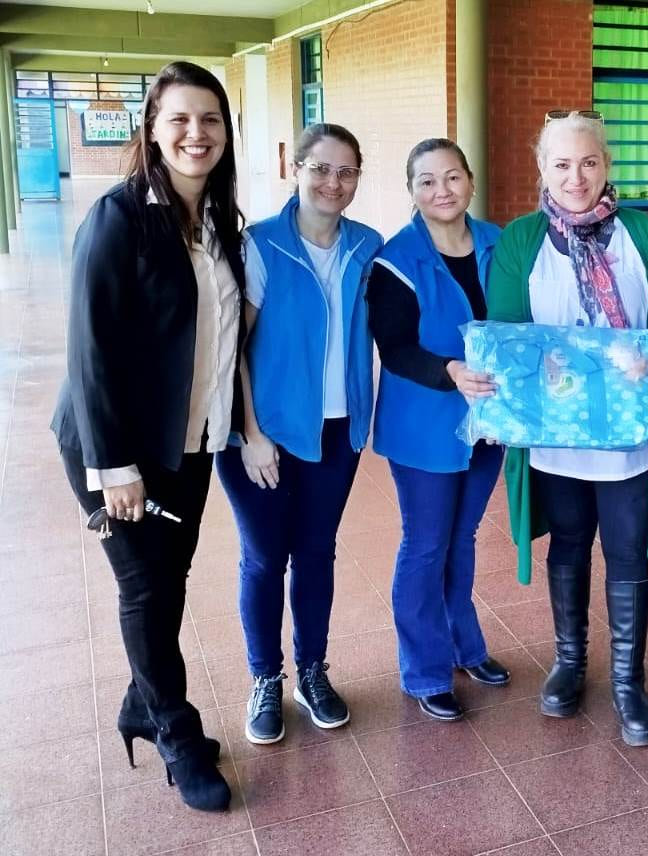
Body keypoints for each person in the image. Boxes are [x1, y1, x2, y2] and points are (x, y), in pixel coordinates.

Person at [51, 61, 243, 811]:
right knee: (143, 588)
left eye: (211, 119)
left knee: (170, 582)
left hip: (189, 441)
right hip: (119, 448)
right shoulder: (119, 216)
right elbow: (89, 350)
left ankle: (141, 704)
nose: (197, 133)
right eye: (180, 119)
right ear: (153, 130)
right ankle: (177, 731)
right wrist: (113, 466)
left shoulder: (218, 220)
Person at [488, 111, 648, 747]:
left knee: (629, 551)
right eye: (562, 164)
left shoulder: (643, 235)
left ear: (606, 165)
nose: (576, 177)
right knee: (569, 543)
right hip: (557, 437)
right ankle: (570, 663)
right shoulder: (521, 241)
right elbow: (509, 333)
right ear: (542, 168)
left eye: (589, 162)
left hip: (628, 436)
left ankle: (628, 679)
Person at [215, 124, 382, 744]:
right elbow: (232, 346)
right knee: (264, 557)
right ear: (296, 169)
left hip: (336, 432)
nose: (333, 182)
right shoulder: (261, 244)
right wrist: (251, 432)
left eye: (346, 171)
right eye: (321, 168)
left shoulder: (367, 246)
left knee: (316, 552)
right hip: (264, 435)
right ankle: (265, 678)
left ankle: (312, 671)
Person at [365, 138, 511, 723]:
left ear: (470, 181)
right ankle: (425, 670)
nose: (442, 190)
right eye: (426, 181)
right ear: (412, 191)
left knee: (462, 538)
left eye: (452, 177)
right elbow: (396, 347)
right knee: (426, 544)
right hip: (424, 425)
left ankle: (464, 647)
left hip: (489, 423)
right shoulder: (397, 259)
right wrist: (450, 371)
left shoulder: (501, 244)